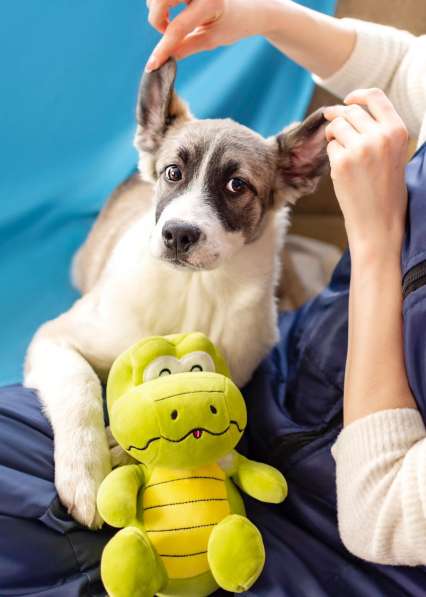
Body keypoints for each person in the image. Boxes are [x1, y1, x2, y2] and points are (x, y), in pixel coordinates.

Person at [146, 0, 426, 565]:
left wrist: (375, 239)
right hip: (280, 374)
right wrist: (266, 15)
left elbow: (386, 516)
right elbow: (406, 74)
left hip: (325, 535)